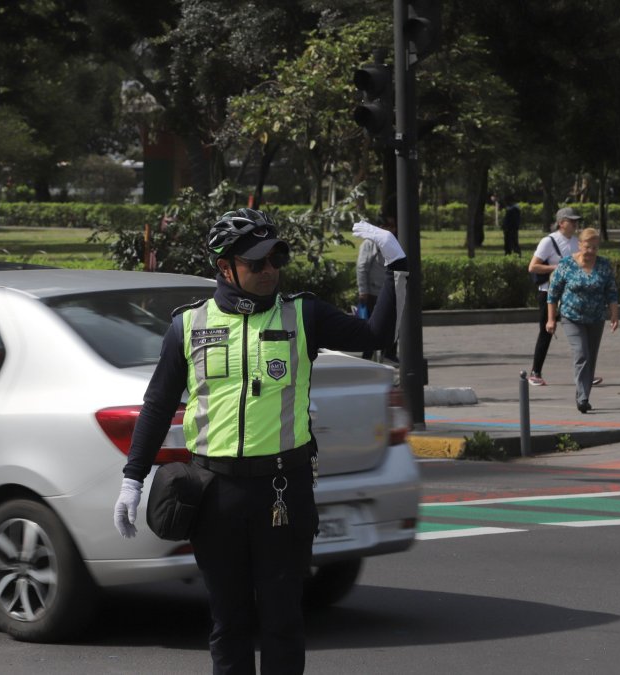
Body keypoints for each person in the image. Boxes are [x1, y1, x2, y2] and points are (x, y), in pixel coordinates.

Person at [112, 208, 399, 674]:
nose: (270, 271)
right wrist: (132, 479)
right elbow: (159, 405)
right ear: (226, 268)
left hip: (282, 492)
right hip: (215, 494)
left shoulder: (302, 314)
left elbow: (376, 334)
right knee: (228, 623)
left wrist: (396, 266)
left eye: (276, 259)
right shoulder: (187, 326)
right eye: (257, 263)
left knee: (283, 621)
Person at [546, 227, 619, 413]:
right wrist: (551, 319)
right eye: (588, 247)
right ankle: (582, 397)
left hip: (596, 317)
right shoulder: (566, 264)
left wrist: (614, 315)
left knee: (591, 357)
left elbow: (611, 292)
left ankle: (584, 393)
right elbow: (553, 294)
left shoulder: (603, 265)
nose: (591, 251)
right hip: (572, 317)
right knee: (581, 353)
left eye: (595, 247)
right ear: (579, 245)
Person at [525, 207, 581, 387]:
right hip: (549, 293)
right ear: (561, 223)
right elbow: (533, 267)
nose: (575, 223)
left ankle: (586, 372)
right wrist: (556, 268)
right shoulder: (548, 241)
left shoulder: (577, 242)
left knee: (580, 332)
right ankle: (535, 372)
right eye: (571, 220)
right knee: (546, 331)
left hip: (571, 293)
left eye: (576, 221)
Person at [355, 214, 406, 361]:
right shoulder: (369, 244)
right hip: (373, 292)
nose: (392, 229)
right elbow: (362, 267)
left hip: (390, 291)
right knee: (372, 327)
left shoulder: (393, 242)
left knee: (394, 323)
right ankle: (367, 357)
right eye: (388, 226)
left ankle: (389, 353)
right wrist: (363, 290)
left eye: (393, 226)